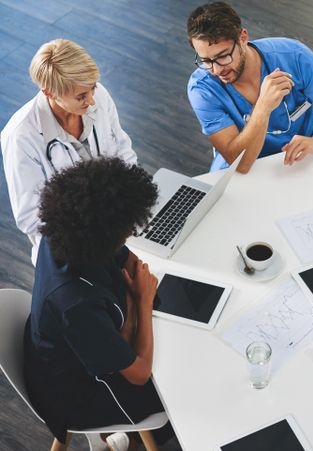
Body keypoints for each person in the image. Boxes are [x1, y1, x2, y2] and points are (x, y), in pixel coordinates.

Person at [23, 158, 173, 448]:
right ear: (104, 233)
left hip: (67, 349)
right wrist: (140, 301)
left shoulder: (66, 232)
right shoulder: (74, 303)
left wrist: (128, 328)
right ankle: (128, 437)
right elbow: (140, 374)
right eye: (128, 228)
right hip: (78, 394)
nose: (132, 232)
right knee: (178, 385)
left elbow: (132, 265)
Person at [1, 39, 137, 264]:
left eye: (92, 88)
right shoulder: (20, 137)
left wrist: (131, 201)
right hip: (72, 250)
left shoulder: (97, 95)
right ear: (49, 93)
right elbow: (30, 217)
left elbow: (122, 150)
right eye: (81, 96)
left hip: (118, 224)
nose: (92, 100)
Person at [186, 2, 313, 173]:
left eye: (223, 56)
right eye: (206, 61)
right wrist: (263, 107)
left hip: (300, 160)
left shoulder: (292, 55)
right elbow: (241, 165)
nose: (216, 70)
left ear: (243, 38)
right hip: (242, 170)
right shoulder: (202, 89)